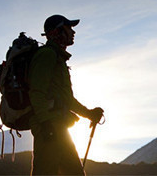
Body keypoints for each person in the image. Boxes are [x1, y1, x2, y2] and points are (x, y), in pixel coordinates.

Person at [28, 14, 104, 175]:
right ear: (57, 31)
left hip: (58, 127)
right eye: (69, 28)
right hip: (49, 128)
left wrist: (89, 114)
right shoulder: (47, 55)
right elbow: (36, 91)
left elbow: (67, 100)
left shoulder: (58, 59)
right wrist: (45, 124)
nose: (73, 32)